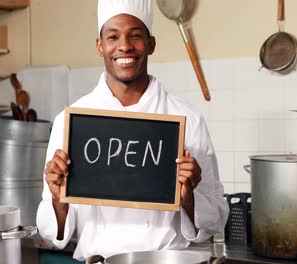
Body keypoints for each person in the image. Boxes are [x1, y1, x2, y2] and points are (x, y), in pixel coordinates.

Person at [36, 0, 229, 261]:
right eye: (113, 36)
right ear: (100, 46)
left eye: (135, 36)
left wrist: (189, 199)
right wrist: (59, 200)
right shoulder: (70, 123)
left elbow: (217, 217)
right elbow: (52, 234)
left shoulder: (187, 119)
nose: (124, 46)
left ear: (151, 44)